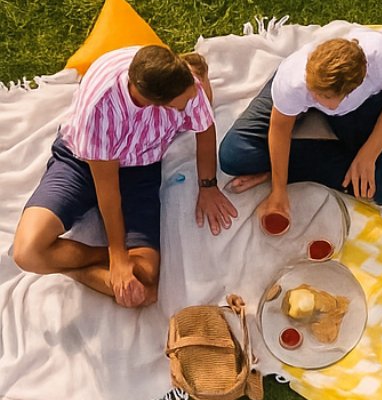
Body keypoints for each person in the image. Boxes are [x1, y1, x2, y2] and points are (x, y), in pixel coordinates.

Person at [12, 45, 237, 308]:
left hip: (141, 166)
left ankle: (66, 265)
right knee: (27, 252)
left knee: (146, 277)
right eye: (184, 103)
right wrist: (117, 257)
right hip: (81, 163)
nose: (193, 101)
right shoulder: (102, 108)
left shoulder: (179, 77)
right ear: (157, 103)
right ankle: (103, 264)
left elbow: (205, 127)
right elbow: (107, 188)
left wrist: (207, 186)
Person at [218, 26, 382, 230]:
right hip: (295, 92)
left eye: (328, 99)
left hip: (362, 106)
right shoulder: (294, 80)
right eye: (316, 95)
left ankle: (279, 167)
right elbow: (280, 127)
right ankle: (278, 169)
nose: (325, 104)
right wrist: (278, 189)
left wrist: (368, 154)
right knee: (234, 156)